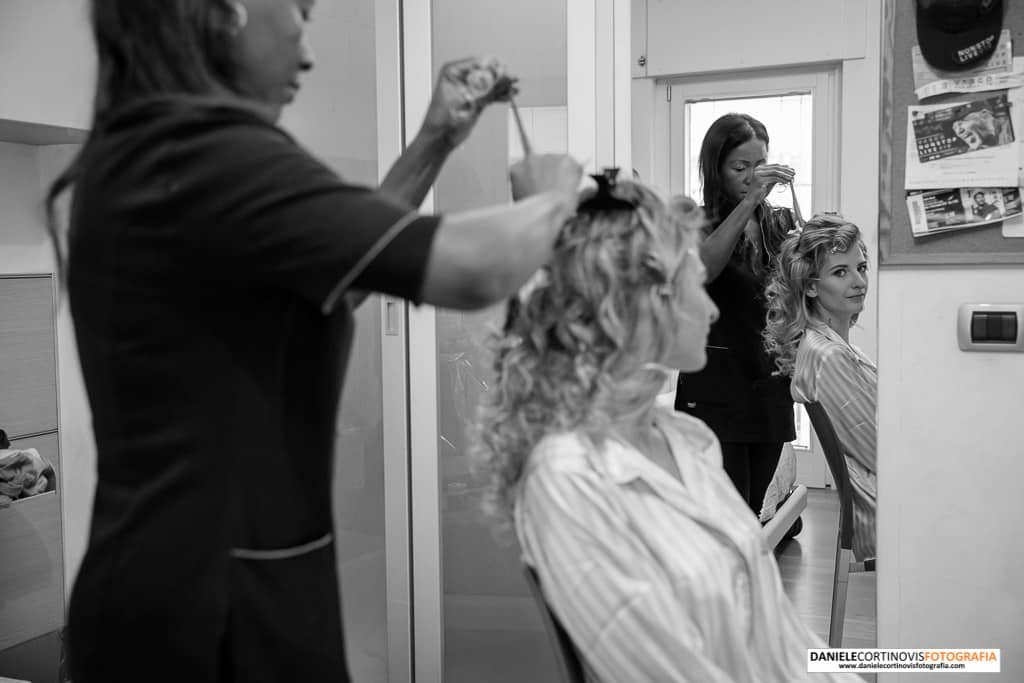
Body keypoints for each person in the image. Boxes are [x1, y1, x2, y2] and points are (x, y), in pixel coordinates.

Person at [46, 2, 581, 682]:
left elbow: (340, 275)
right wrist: (552, 200)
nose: (308, 49)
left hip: (188, 579)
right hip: (205, 608)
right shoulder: (215, 159)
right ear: (227, 11)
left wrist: (436, 140)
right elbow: (473, 268)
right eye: (299, 12)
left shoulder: (151, 154)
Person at [472, 174, 862, 682]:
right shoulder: (569, 479)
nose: (712, 307)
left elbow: (776, 632)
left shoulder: (686, 439)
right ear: (631, 306)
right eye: (693, 286)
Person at [674, 113, 798, 516]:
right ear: (716, 169)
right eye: (740, 167)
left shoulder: (779, 222)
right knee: (724, 514)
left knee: (752, 512)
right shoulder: (695, 221)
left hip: (770, 386)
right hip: (715, 389)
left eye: (759, 165)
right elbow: (703, 270)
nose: (752, 176)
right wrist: (749, 203)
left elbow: (797, 295)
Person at [763, 214, 877, 562]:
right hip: (885, 509)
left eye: (861, 267)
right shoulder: (830, 357)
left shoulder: (829, 345)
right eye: (840, 272)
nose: (859, 281)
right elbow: (882, 455)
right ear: (811, 286)